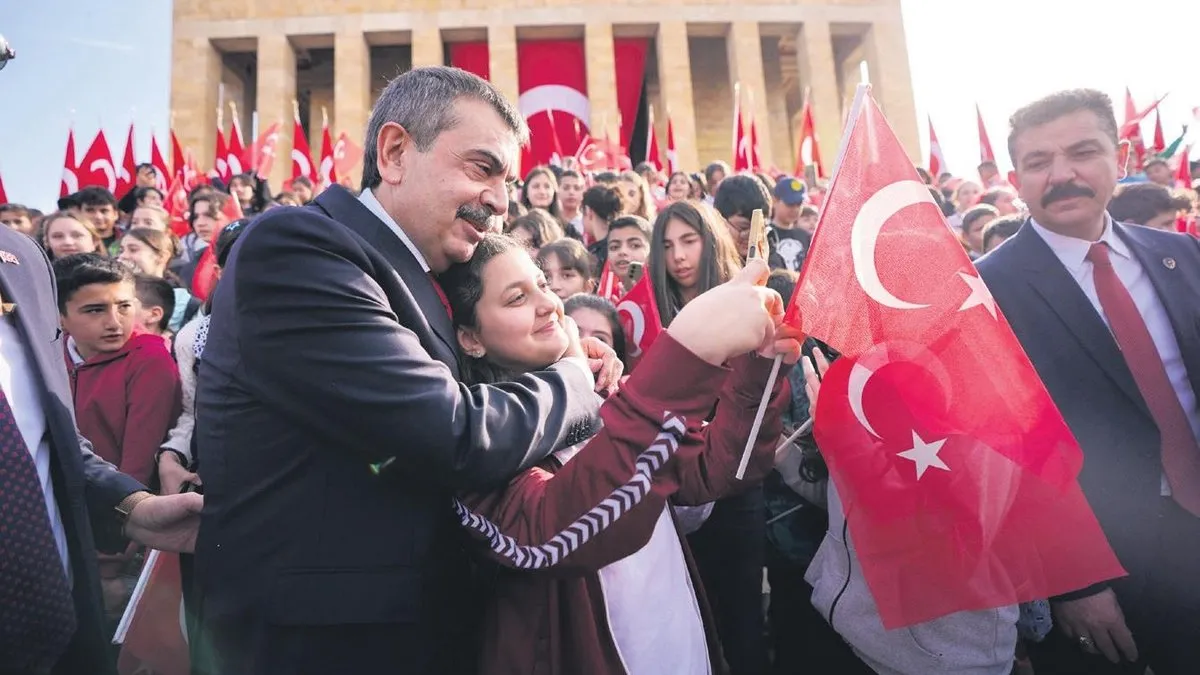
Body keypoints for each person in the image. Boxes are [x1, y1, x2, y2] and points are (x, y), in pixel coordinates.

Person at [193, 66, 623, 675]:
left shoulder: (420, 271)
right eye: (482, 168)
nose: (502, 202)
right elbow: (452, 432)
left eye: (508, 181)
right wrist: (573, 378)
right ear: (395, 152)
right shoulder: (298, 250)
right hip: (323, 649)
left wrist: (548, 353)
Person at [441, 235, 796, 674]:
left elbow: (721, 468)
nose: (547, 304)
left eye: (544, 285)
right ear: (470, 338)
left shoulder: (606, 392)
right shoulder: (475, 440)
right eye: (517, 298)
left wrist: (758, 366)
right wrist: (685, 355)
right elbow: (550, 533)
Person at [978, 88, 1200, 675]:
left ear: (1120, 156)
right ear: (1014, 178)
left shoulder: (1182, 256)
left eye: (1082, 152)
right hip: (1102, 566)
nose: (1062, 175)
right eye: (1038, 162)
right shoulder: (982, 293)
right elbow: (1001, 452)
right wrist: (1074, 582)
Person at [0, 225, 200, 674]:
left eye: (123, 307)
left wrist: (129, 508)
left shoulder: (20, 256)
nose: (113, 321)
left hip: (62, 622)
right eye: (94, 309)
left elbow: (49, 442)